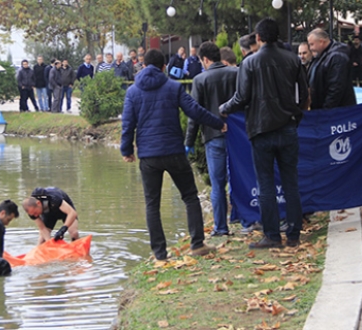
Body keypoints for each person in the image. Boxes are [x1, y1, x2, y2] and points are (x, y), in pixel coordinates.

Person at [121, 48, 227, 261]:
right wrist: (218, 123)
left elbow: (127, 124)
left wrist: (127, 150)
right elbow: (195, 111)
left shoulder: (132, 92)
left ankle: (160, 254)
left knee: (152, 204)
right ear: (164, 67)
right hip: (173, 151)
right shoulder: (172, 87)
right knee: (189, 196)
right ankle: (197, 244)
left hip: (149, 156)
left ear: (143, 66)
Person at [219, 18, 309, 249]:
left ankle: (272, 235)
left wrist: (223, 109)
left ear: (258, 38)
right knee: (291, 182)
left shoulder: (249, 63)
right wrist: (296, 115)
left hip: (261, 130)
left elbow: (241, 97)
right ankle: (294, 233)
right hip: (288, 127)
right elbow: (304, 93)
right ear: (277, 36)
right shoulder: (293, 60)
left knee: (266, 184)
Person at [184, 41, 238, 237]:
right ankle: (244, 220)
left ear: (205, 59)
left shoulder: (200, 80)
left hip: (213, 137)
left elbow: (195, 114)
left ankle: (221, 227)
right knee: (239, 179)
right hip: (237, 136)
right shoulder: (236, 73)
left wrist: (189, 142)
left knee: (217, 184)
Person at [306, 28, 356, 109]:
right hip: (324, 107)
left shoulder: (337, 57)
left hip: (336, 111)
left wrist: (326, 110)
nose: (310, 48)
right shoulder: (321, 56)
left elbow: (336, 88)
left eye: (312, 44)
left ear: (321, 42)